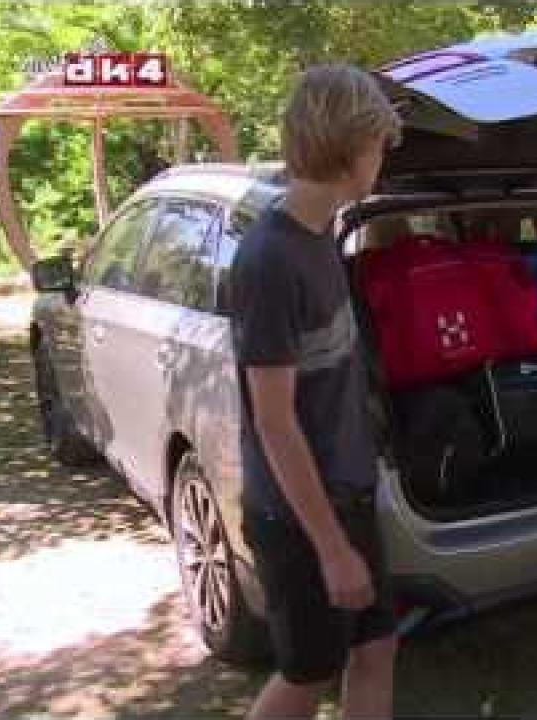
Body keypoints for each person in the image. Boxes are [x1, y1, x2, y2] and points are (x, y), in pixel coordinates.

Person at [230, 65, 405, 719]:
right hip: (299, 515)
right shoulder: (269, 259)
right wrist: (331, 548)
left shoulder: (319, 231)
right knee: (308, 673)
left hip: (348, 489)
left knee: (377, 647)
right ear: (347, 143)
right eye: (378, 146)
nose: (382, 158)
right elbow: (273, 422)